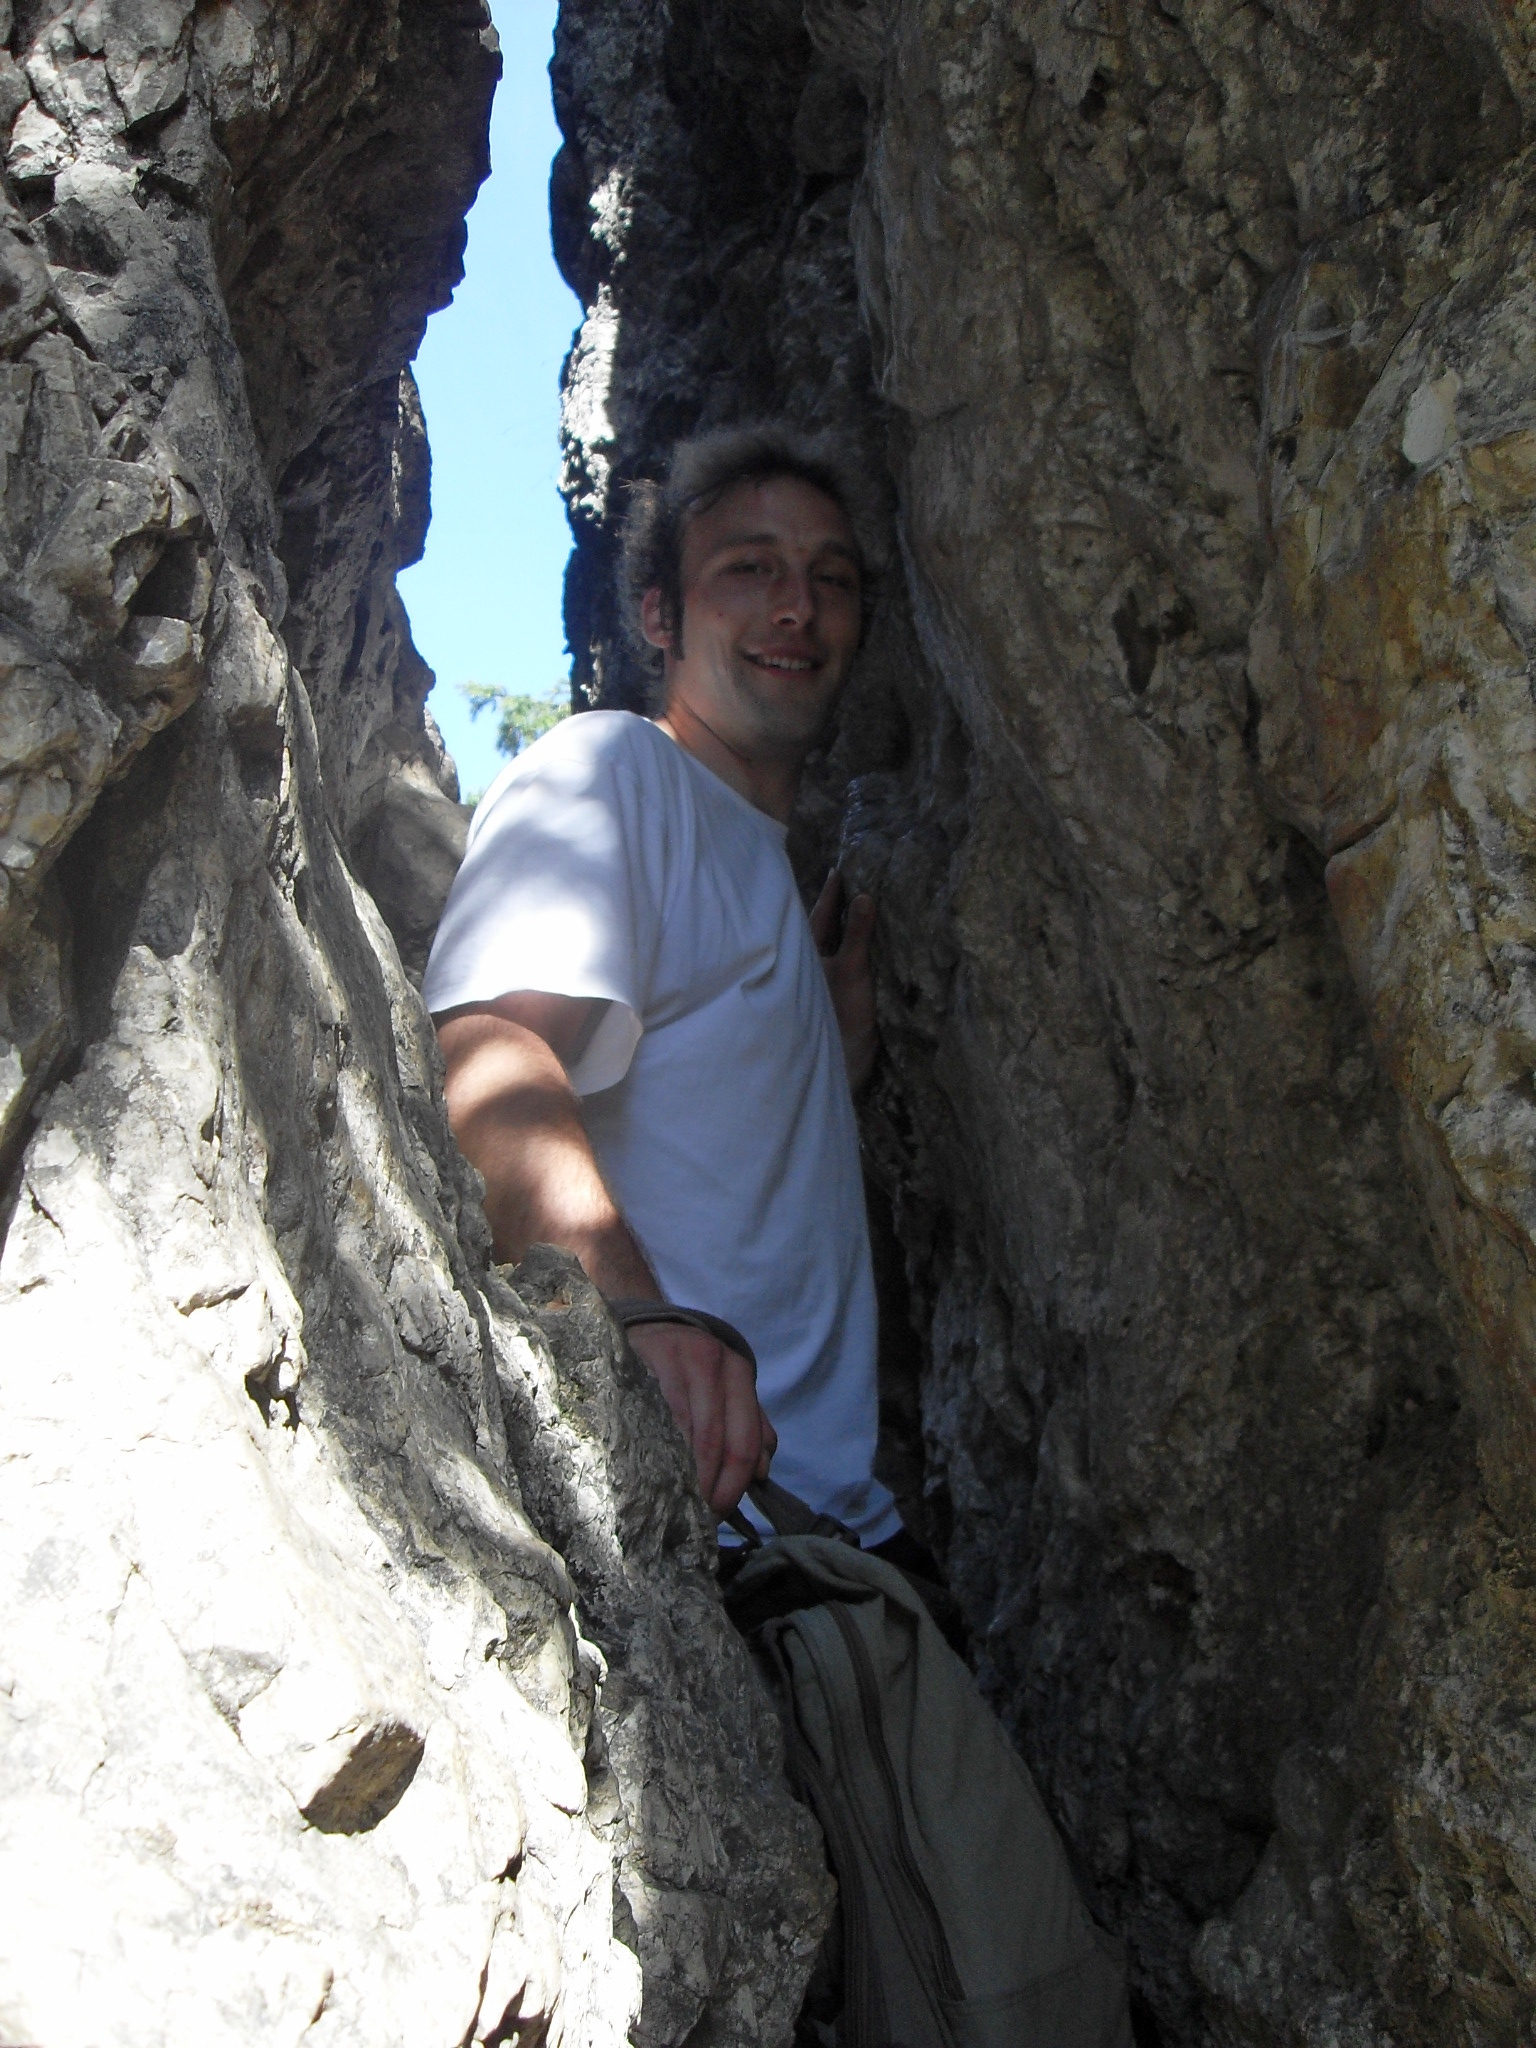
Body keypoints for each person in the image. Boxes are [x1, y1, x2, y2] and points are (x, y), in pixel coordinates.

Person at [423, 423, 905, 1550]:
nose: (797, 606)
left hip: (832, 1531)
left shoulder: (764, 870)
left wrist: (828, 1055)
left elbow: (713, 1142)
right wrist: (633, 1315)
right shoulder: (615, 769)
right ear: (659, 616)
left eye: (830, 579)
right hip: (707, 1523)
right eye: (749, 568)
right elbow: (485, 1049)